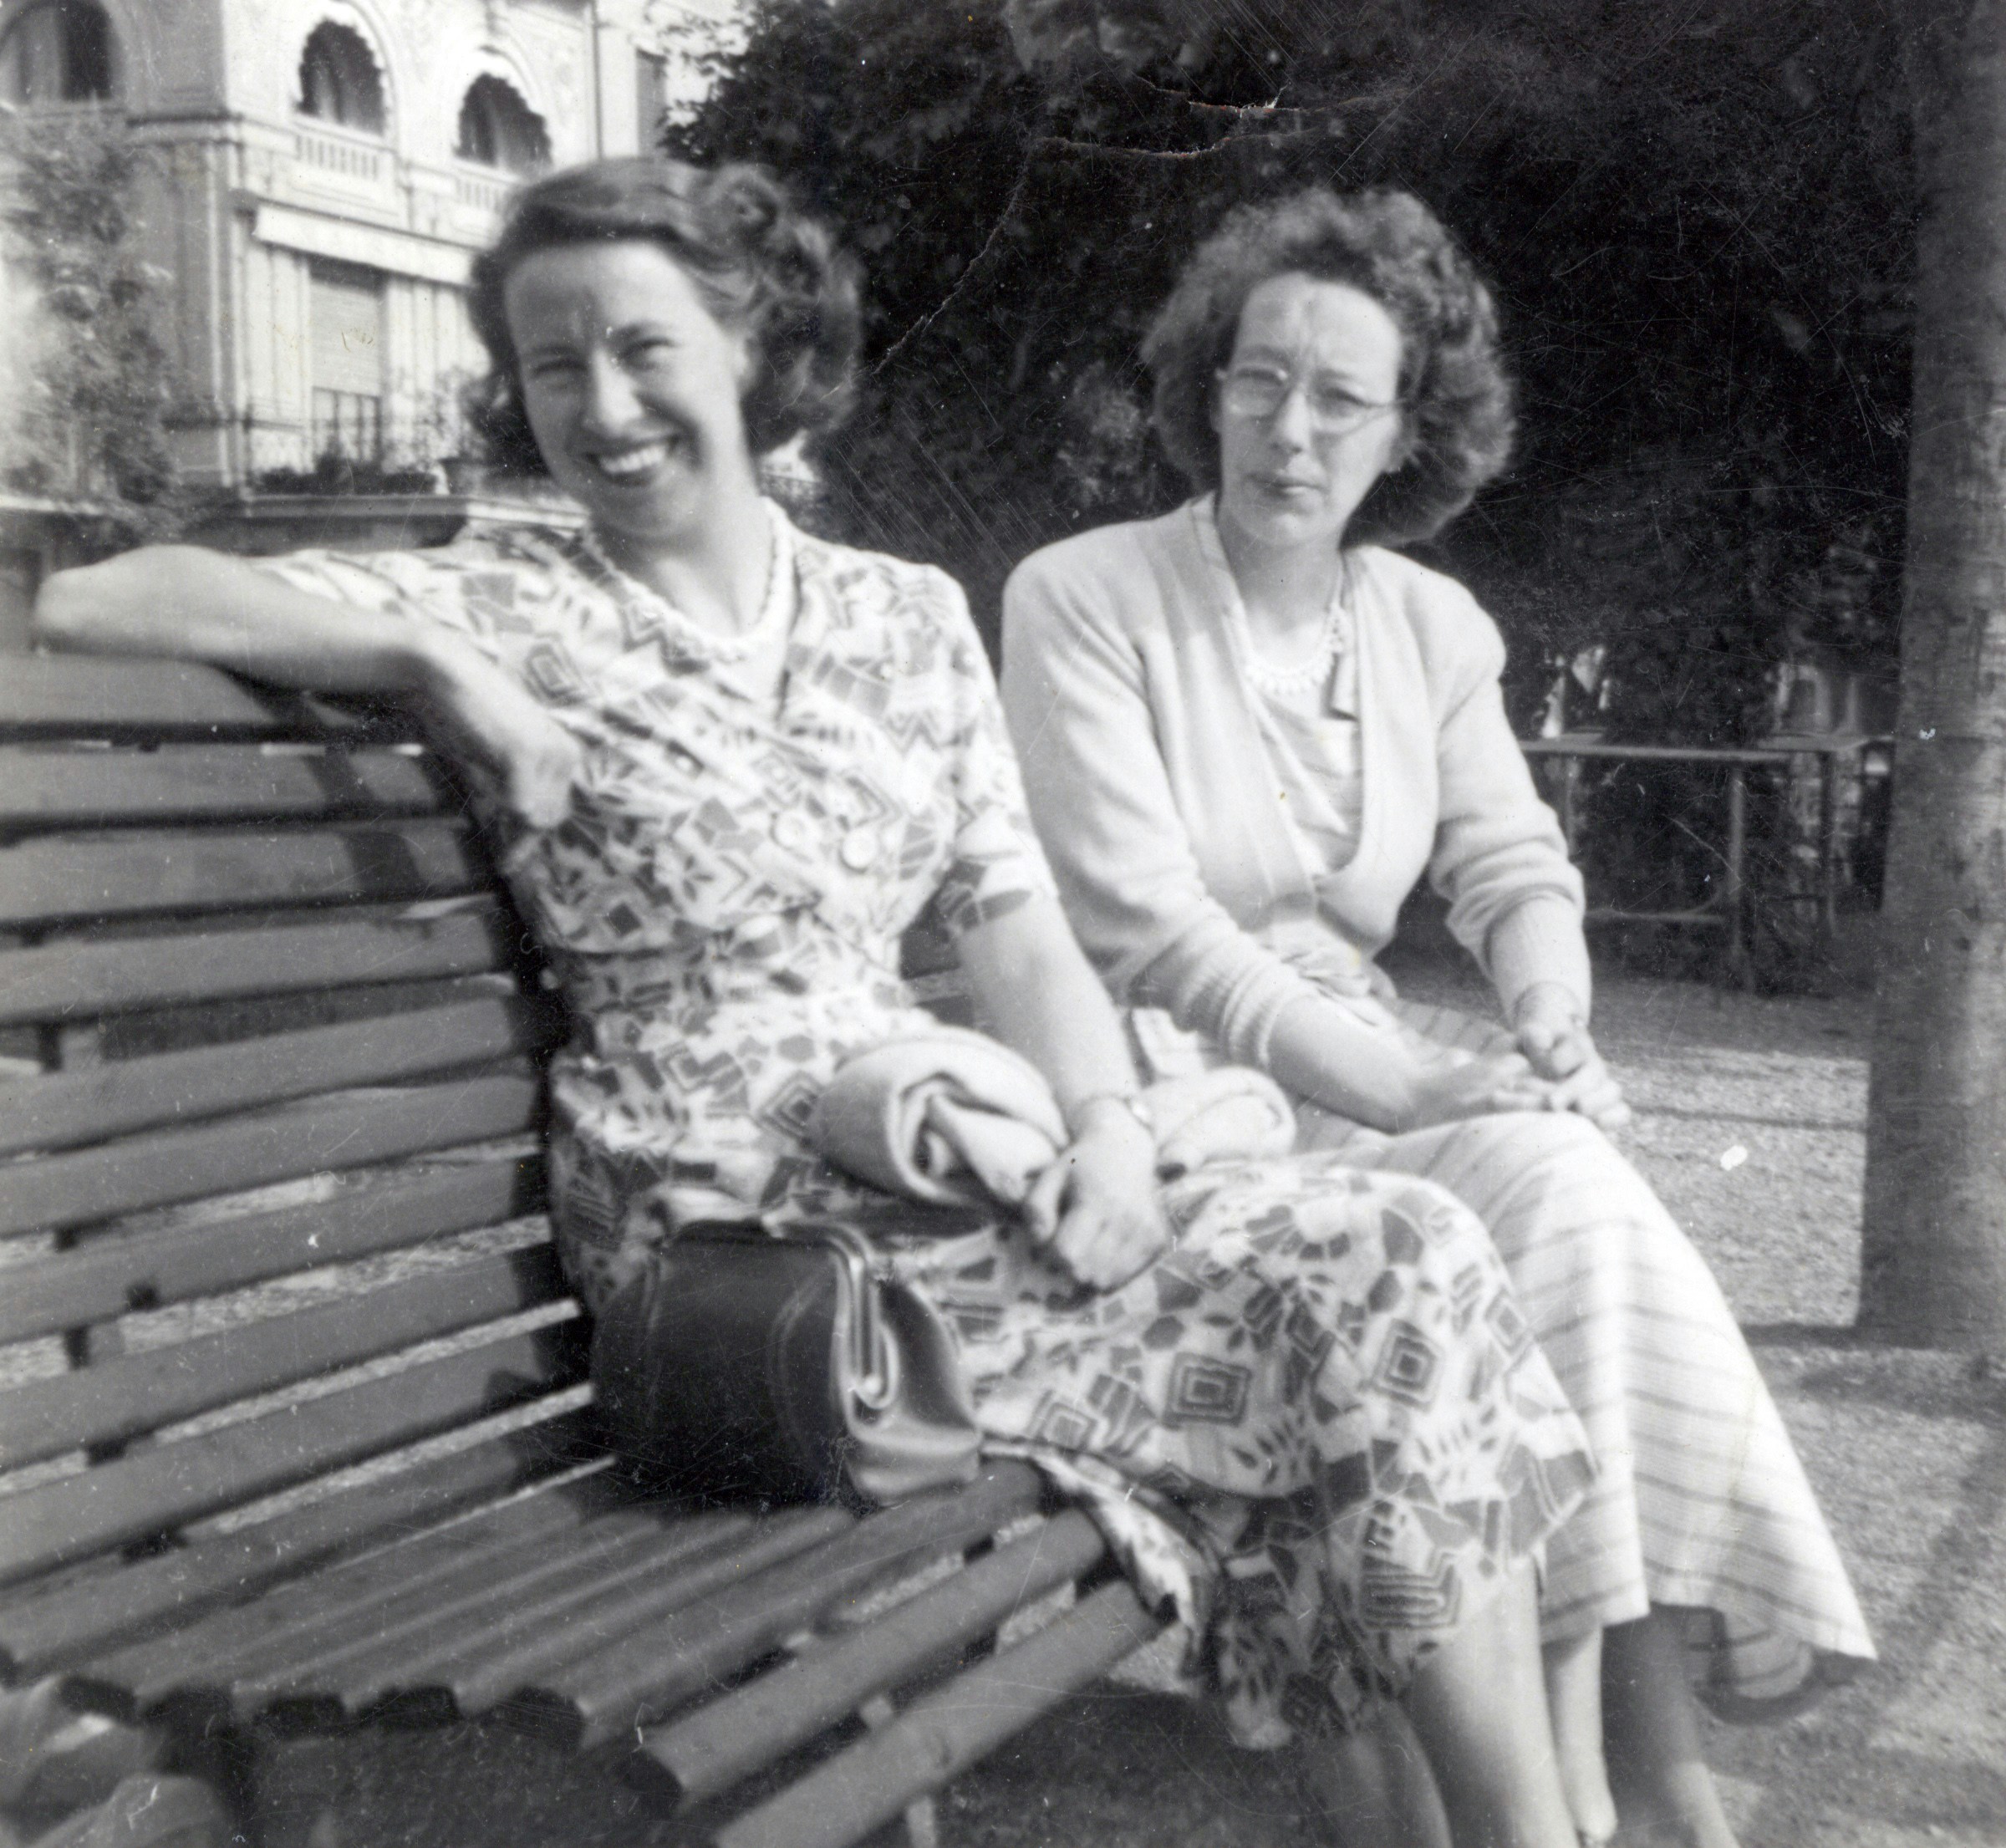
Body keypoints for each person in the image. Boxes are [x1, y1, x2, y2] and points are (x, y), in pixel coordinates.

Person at [37, 155, 1611, 1848]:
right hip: (725, 1236)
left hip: (944, 1172)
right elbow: (92, 594)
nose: (602, 405)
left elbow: (1018, 931)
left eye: (645, 350)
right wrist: (437, 665)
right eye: (553, 364)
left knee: (1400, 1265)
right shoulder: (499, 592)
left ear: (752, 351)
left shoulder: (901, 616)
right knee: (1369, 1287)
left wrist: (1103, 1132)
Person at [999, 185, 1876, 1848]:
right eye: (1260, 380)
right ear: (1208, 388)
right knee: (1516, 1211)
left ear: (1408, 429)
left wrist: (1546, 1017)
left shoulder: (1428, 624)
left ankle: (1639, 1789)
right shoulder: (1083, 593)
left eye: (1341, 396)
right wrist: (1414, 1083)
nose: (1289, 428)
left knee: (1576, 1194)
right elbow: (1145, 926)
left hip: (1344, 1081)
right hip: (1147, 1091)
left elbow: (1509, 861)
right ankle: (1637, 1798)